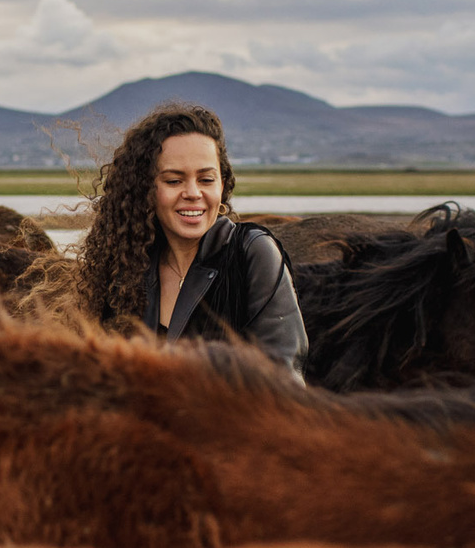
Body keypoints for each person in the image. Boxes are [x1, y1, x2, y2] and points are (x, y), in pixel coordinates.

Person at [76, 103, 307, 377]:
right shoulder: (128, 264)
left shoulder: (253, 253)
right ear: (146, 189)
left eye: (206, 179)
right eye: (174, 181)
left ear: (223, 185)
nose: (193, 193)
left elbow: (285, 380)